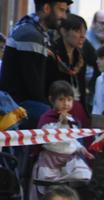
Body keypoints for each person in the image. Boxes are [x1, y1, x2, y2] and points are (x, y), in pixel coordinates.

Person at [0, 0, 71, 129]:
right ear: (46, 8)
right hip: (17, 107)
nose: (64, 16)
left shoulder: (33, 30)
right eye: (61, 10)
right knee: (56, 123)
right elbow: (34, 87)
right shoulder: (32, 35)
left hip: (18, 104)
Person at [29, 80, 94, 200]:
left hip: (68, 161)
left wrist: (81, 149)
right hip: (50, 160)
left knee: (81, 178)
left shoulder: (73, 120)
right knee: (47, 193)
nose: (66, 103)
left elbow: (73, 140)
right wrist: (61, 125)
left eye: (69, 100)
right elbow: (50, 141)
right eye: (61, 99)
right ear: (52, 100)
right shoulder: (47, 119)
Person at [46, 13, 89, 110]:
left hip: (77, 106)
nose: (82, 36)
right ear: (63, 31)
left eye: (84, 32)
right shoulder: (52, 55)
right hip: (57, 107)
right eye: (78, 31)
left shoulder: (80, 57)